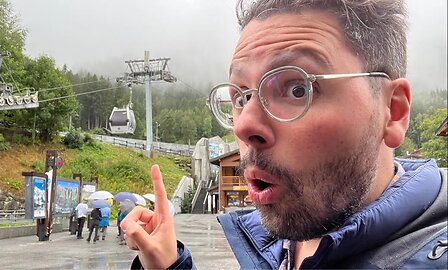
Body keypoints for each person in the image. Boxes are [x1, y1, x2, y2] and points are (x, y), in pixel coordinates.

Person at [121, 0, 447, 269]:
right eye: (241, 96)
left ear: (393, 111)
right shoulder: (282, 241)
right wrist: (166, 264)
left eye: (297, 88)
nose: (244, 126)